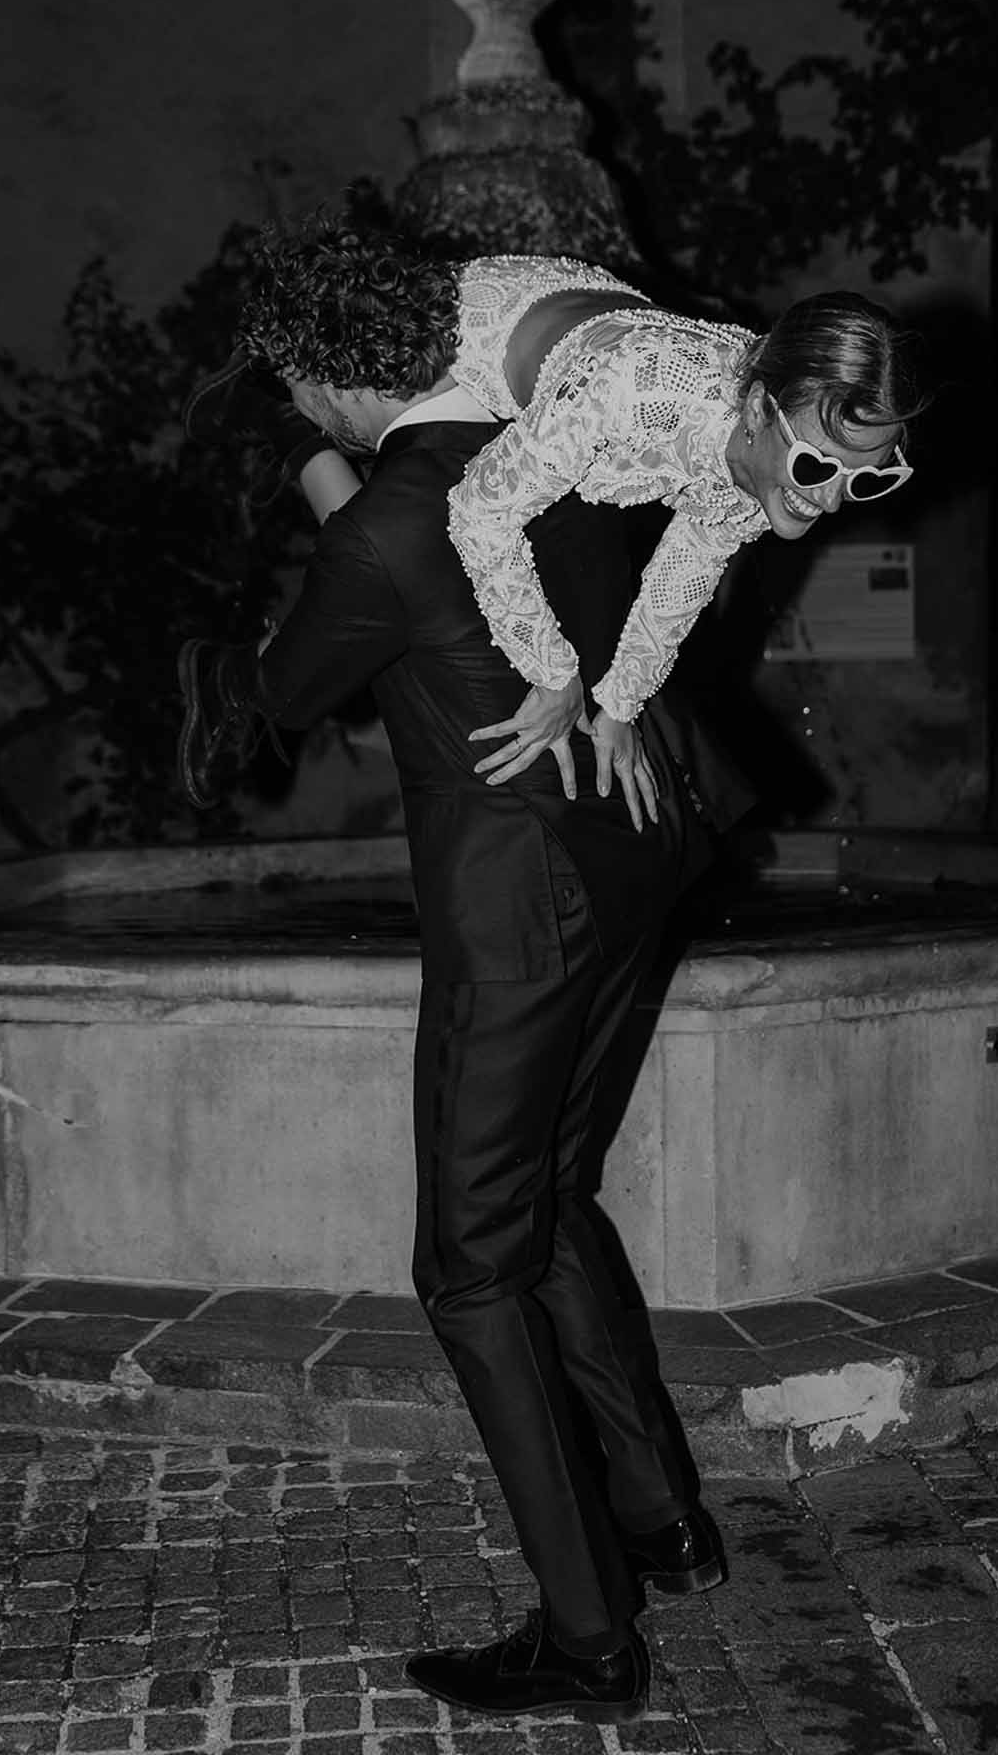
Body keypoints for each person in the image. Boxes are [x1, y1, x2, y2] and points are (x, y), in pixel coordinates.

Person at [176, 273, 746, 1724]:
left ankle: (585, 1636)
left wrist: (244, 618)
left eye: (303, 401)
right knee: (549, 1201)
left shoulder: (383, 524)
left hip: (520, 917)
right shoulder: (553, 440)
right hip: (636, 857)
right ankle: (660, 1524)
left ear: (333, 382)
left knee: (471, 1266)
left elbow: (295, 687)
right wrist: (319, 468)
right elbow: (424, 549)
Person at [207, 225, 919, 795]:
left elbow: (685, 569)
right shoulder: (627, 399)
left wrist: (618, 709)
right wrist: (556, 678)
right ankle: (285, 414)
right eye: (815, 466)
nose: (828, 497)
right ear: (761, 410)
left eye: (866, 480)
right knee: (399, 521)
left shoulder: (758, 450)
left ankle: (290, 430)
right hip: (477, 334)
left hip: (586, 318)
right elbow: (481, 511)